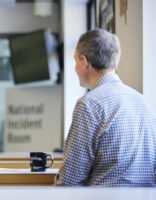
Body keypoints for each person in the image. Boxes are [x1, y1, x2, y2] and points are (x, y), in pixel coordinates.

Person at [55, 29, 156, 186]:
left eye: (75, 62)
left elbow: (69, 180)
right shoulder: (143, 102)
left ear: (84, 61)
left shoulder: (89, 104)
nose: (75, 68)